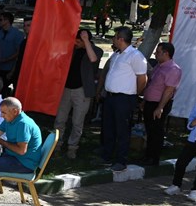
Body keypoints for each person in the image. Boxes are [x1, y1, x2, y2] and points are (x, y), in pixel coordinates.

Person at [99, 27, 148, 171]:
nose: (113, 39)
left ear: (120, 38)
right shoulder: (117, 54)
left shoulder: (135, 56)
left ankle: (121, 160)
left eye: (115, 36)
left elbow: (142, 78)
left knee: (122, 130)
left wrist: (136, 93)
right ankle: (107, 156)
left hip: (124, 98)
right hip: (111, 97)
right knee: (108, 127)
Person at [55, 28, 103, 159]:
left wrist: (86, 41)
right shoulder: (73, 50)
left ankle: (72, 147)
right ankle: (56, 145)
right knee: (60, 119)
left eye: (78, 41)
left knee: (77, 122)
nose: (76, 43)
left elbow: (93, 58)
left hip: (82, 91)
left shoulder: (96, 50)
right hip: (66, 89)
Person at [164, 82, 196, 203]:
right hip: (194, 140)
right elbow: (189, 123)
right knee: (181, 162)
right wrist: (194, 123)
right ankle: (176, 185)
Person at [142, 42, 181, 166]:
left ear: (166, 53)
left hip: (159, 104)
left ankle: (154, 158)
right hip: (150, 102)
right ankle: (148, 155)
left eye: (158, 52)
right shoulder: (159, 66)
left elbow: (169, 90)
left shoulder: (173, 69)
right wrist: (144, 100)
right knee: (149, 130)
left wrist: (160, 107)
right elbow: (151, 84)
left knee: (156, 131)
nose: (155, 54)